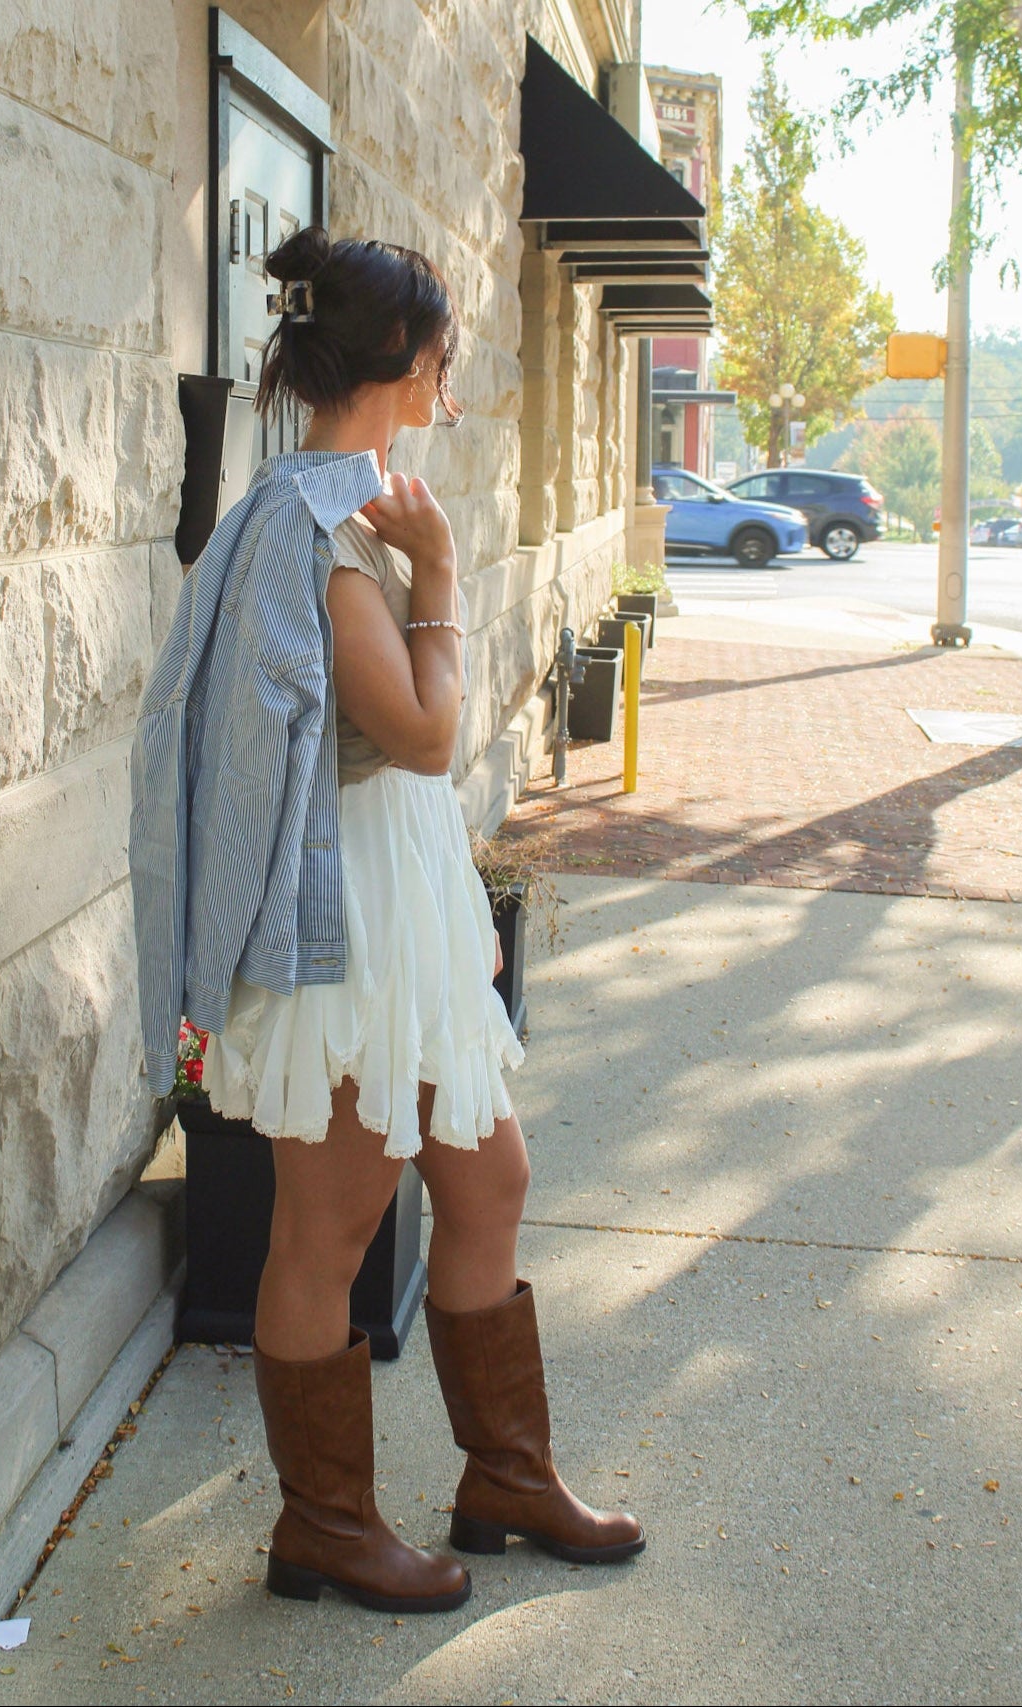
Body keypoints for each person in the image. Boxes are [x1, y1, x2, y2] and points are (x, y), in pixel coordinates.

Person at [129, 226, 644, 1616]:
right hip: (340, 932)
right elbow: (418, 737)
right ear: (404, 363)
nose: (452, 367)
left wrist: (450, 915)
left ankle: (506, 1477)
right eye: (444, 347)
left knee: (488, 1180)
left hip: (393, 911)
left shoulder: (346, 510)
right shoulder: (324, 529)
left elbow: (397, 780)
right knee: (331, 1228)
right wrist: (448, 581)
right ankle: (327, 1527)